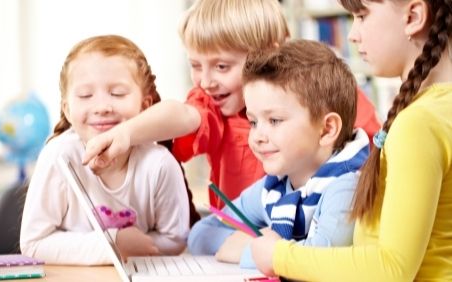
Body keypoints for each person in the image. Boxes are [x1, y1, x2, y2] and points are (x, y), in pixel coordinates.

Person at [82, 0, 380, 210]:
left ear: (266, 56)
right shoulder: (211, 105)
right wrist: (126, 133)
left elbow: (373, 147)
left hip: (309, 228)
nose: (206, 81)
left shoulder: (321, 88)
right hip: (238, 233)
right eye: (196, 65)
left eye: (222, 66)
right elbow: (181, 114)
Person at [251, 1, 452, 281]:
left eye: (361, 16)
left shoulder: (418, 124)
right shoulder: (438, 111)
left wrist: (278, 256)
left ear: (413, 16)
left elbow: (391, 268)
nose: (351, 35)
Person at [188, 40, 370, 269]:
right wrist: (256, 246)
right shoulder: (274, 188)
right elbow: (200, 235)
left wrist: (257, 251)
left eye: (274, 120)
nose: (257, 136)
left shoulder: (346, 186)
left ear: (327, 129)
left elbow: (318, 263)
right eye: (253, 121)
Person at [20, 35, 190, 265]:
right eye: (85, 95)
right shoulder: (58, 157)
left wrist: (136, 247)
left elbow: (176, 240)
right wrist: (113, 243)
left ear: (145, 106)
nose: (102, 107)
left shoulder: (160, 165)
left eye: (118, 93)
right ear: (67, 110)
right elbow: (33, 243)